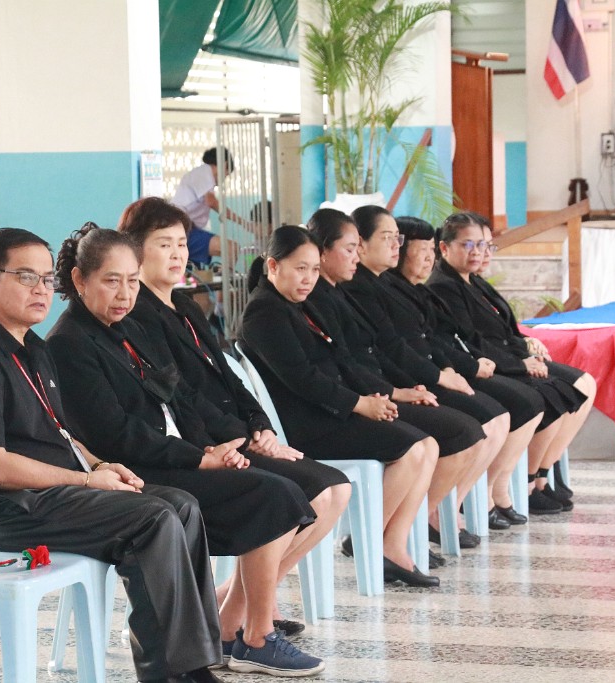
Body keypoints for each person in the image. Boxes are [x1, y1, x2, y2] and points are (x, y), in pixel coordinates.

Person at [0, 227, 225, 683]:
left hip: (52, 496)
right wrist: (86, 480)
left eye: (47, 279)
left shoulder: (29, 347)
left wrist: (100, 465)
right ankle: (172, 672)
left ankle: (191, 664)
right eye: (26, 277)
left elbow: (59, 433)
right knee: (153, 519)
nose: (41, 290)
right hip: (9, 509)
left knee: (181, 505)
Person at [44, 223, 326, 677]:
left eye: (132, 280)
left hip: (178, 455)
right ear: (80, 280)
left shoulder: (127, 329)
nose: (125, 293)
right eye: (111, 281)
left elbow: (179, 398)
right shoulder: (68, 343)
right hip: (137, 472)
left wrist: (213, 447)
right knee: (274, 496)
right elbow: (117, 435)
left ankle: (238, 630)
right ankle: (254, 636)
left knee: (283, 492)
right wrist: (199, 459)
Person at [118, 197, 351, 636]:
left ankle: (231, 604)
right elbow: (182, 397)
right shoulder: (139, 316)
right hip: (208, 443)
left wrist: (261, 427)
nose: (177, 254)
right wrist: (241, 439)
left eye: (182, 244)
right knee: (311, 495)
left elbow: (229, 376)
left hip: (237, 434)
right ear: (134, 250)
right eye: (164, 244)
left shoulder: (185, 304)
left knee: (336, 489)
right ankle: (234, 618)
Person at [239, 226, 441, 587]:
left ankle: (390, 544)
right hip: (306, 425)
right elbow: (303, 379)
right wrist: (359, 404)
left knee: (425, 444)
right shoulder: (264, 313)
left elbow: (341, 361)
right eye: (300, 268)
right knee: (412, 449)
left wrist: (382, 395)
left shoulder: (298, 305)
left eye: (315, 270)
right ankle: (369, 542)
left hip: (329, 413)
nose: (308, 278)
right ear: (273, 266)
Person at [306, 207, 496, 551]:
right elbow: (344, 364)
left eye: (399, 239)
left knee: (463, 430)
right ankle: (378, 538)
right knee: (453, 434)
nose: (396, 247)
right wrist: (392, 392)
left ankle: (396, 536)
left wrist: (405, 387)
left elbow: (379, 350)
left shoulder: (341, 290)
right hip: (348, 406)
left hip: (376, 390)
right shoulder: (321, 297)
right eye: (350, 248)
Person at [427, 212, 597, 513]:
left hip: (507, 358)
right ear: (444, 247)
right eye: (469, 244)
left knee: (581, 385)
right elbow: (472, 341)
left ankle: (540, 476)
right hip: (487, 365)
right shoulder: (444, 286)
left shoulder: (473, 281)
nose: (479, 252)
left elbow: (504, 330)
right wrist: (521, 364)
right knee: (546, 395)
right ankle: (516, 484)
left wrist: (526, 348)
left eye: (485, 245)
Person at [384, 215, 546, 529]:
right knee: (481, 423)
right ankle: (431, 515)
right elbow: (395, 350)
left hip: (439, 373)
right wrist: (446, 374)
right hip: (410, 383)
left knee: (512, 409)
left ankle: (461, 501)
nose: (429, 258)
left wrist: (452, 367)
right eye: (421, 250)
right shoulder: (394, 290)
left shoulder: (416, 290)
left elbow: (437, 340)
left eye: (431, 250)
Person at [172, 147, 234, 267]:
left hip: (187, 228)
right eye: (226, 174)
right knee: (231, 248)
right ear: (224, 164)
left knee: (193, 269)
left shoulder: (202, 176)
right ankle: (226, 277)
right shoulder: (204, 172)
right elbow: (211, 202)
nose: (223, 179)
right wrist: (242, 222)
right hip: (183, 229)